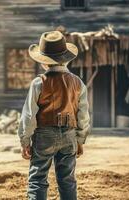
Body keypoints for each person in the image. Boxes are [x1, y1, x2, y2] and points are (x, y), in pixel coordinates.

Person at [18, 31, 90, 200]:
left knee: (37, 179)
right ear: (66, 58)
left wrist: (25, 141)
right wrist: (80, 140)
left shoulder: (39, 82)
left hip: (44, 135)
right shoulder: (78, 83)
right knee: (67, 180)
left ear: (44, 62)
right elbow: (84, 116)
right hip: (69, 134)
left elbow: (29, 116)